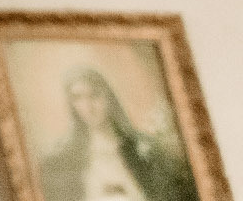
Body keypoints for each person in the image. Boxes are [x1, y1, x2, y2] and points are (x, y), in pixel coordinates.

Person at [36, 66, 197, 201]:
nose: (87, 107)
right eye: (78, 98)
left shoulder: (142, 148)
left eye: (94, 95)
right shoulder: (64, 156)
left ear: (109, 97)